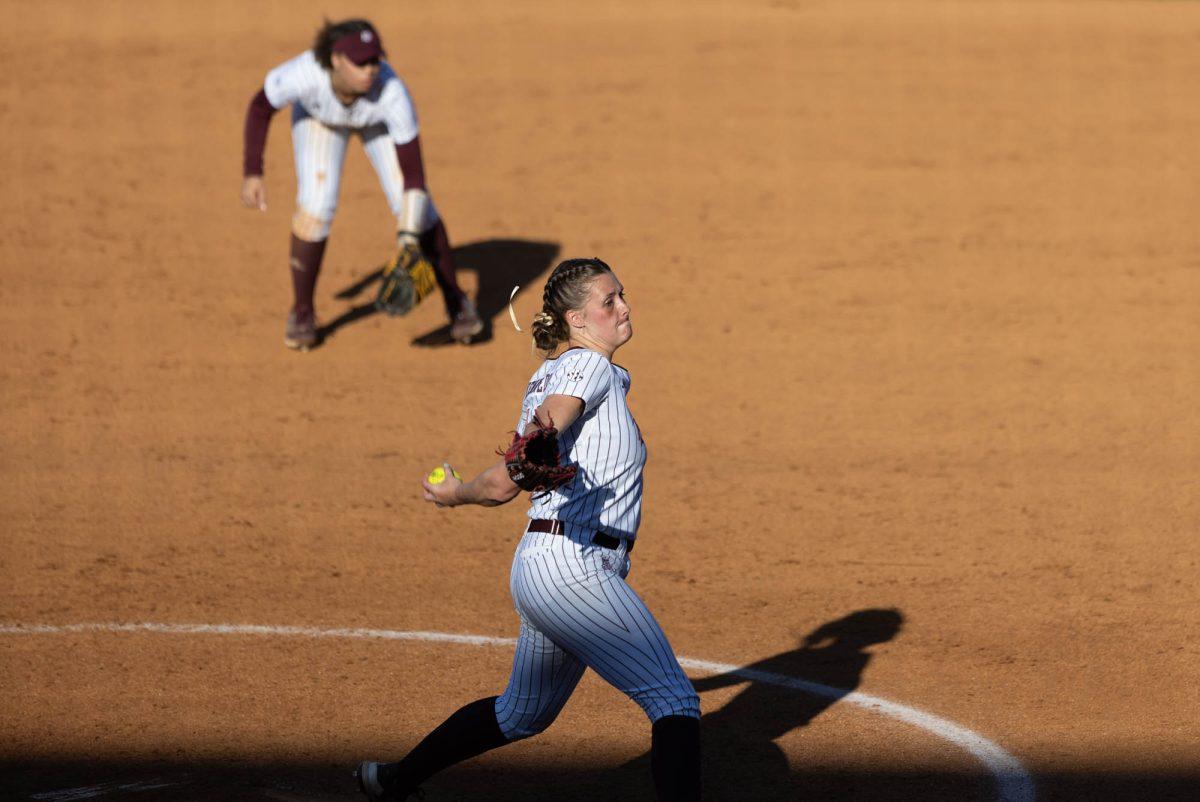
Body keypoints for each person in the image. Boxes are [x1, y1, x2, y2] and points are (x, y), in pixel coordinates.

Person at [355, 258, 701, 800]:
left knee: (522, 713)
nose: (624, 308)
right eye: (608, 302)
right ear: (576, 320)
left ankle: (393, 780)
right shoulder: (589, 367)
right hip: (575, 570)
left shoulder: (548, 374)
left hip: (542, 567)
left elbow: (500, 485)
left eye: (622, 295)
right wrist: (539, 441)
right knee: (674, 701)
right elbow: (545, 431)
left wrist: (455, 492)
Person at [239, 18, 483, 351]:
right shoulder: (304, 74)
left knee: (419, 212)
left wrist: (409, 238)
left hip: (376, 123)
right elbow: (260, 107)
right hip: (319, 120)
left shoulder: (392, 93)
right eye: (362, 62)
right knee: (316, 205)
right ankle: (302, 313)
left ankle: (458, 304)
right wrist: (253, 171)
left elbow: (414, 179)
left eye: (375, 60)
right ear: (336, 59)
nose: (371, 69)